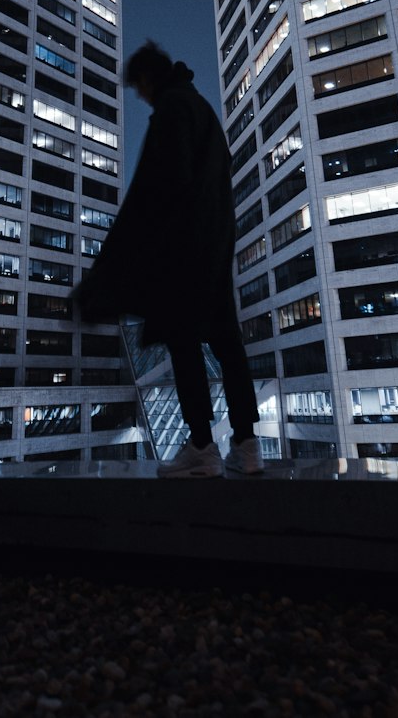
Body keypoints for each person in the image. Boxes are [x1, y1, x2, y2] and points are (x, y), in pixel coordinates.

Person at [75, 41, 262, 477]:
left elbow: (150, 194)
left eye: (138, 88)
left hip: (185, 249)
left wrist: (109, 272)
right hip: (216, 243)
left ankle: (202, 446)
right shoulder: (202, 110)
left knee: (183, 342)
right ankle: (247, 443)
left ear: (147, 78)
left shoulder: (173, 111)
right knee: (227, 344)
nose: (140, 97)